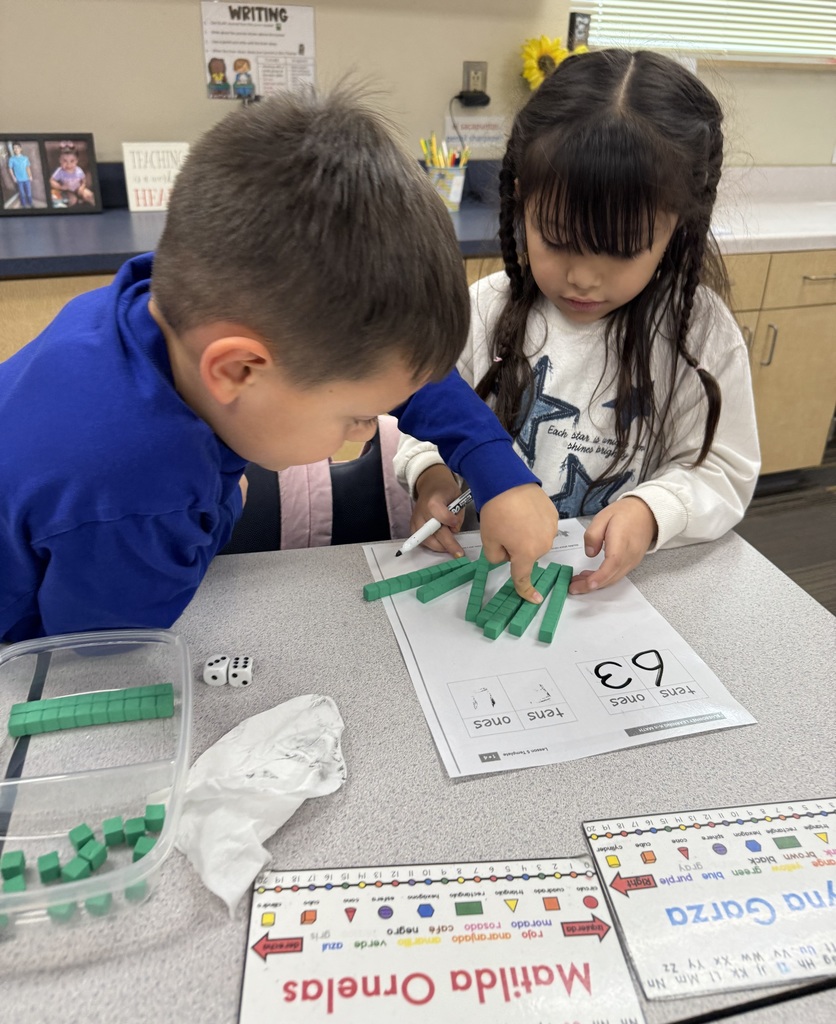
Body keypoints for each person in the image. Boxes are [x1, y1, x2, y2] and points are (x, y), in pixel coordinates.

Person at [0, 87, 556, 644]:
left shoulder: (161, 300)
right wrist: (222, 505)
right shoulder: (140, 497)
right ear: (238, 370)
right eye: (357, 417)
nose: (369, 432)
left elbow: (392, 366)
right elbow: (100, 652)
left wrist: (496, 471)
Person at [395, 49, 760, 596]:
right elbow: (425, 418)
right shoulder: (485, 310)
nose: (583, 278)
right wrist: (431, 477)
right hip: (482, 577)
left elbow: (723, 472)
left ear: (678, 227)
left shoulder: (698, 335)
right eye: (557, 239)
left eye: (623, 249)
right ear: (522, 201)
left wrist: (653, 510)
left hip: (612, 594)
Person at [8, 142, 33, 208]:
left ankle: (30, 204)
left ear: (20, 149)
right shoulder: (12, 159)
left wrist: (30, 176)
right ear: (13, 150)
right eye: (14, 148)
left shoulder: (25, 158)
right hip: (19, 180)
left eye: (17, 148)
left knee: (29, 193)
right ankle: (23, 205)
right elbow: (10, 169)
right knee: (22, 194)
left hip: (27, 178)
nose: (16, 149)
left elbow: (28, 167)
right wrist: (14, 177)